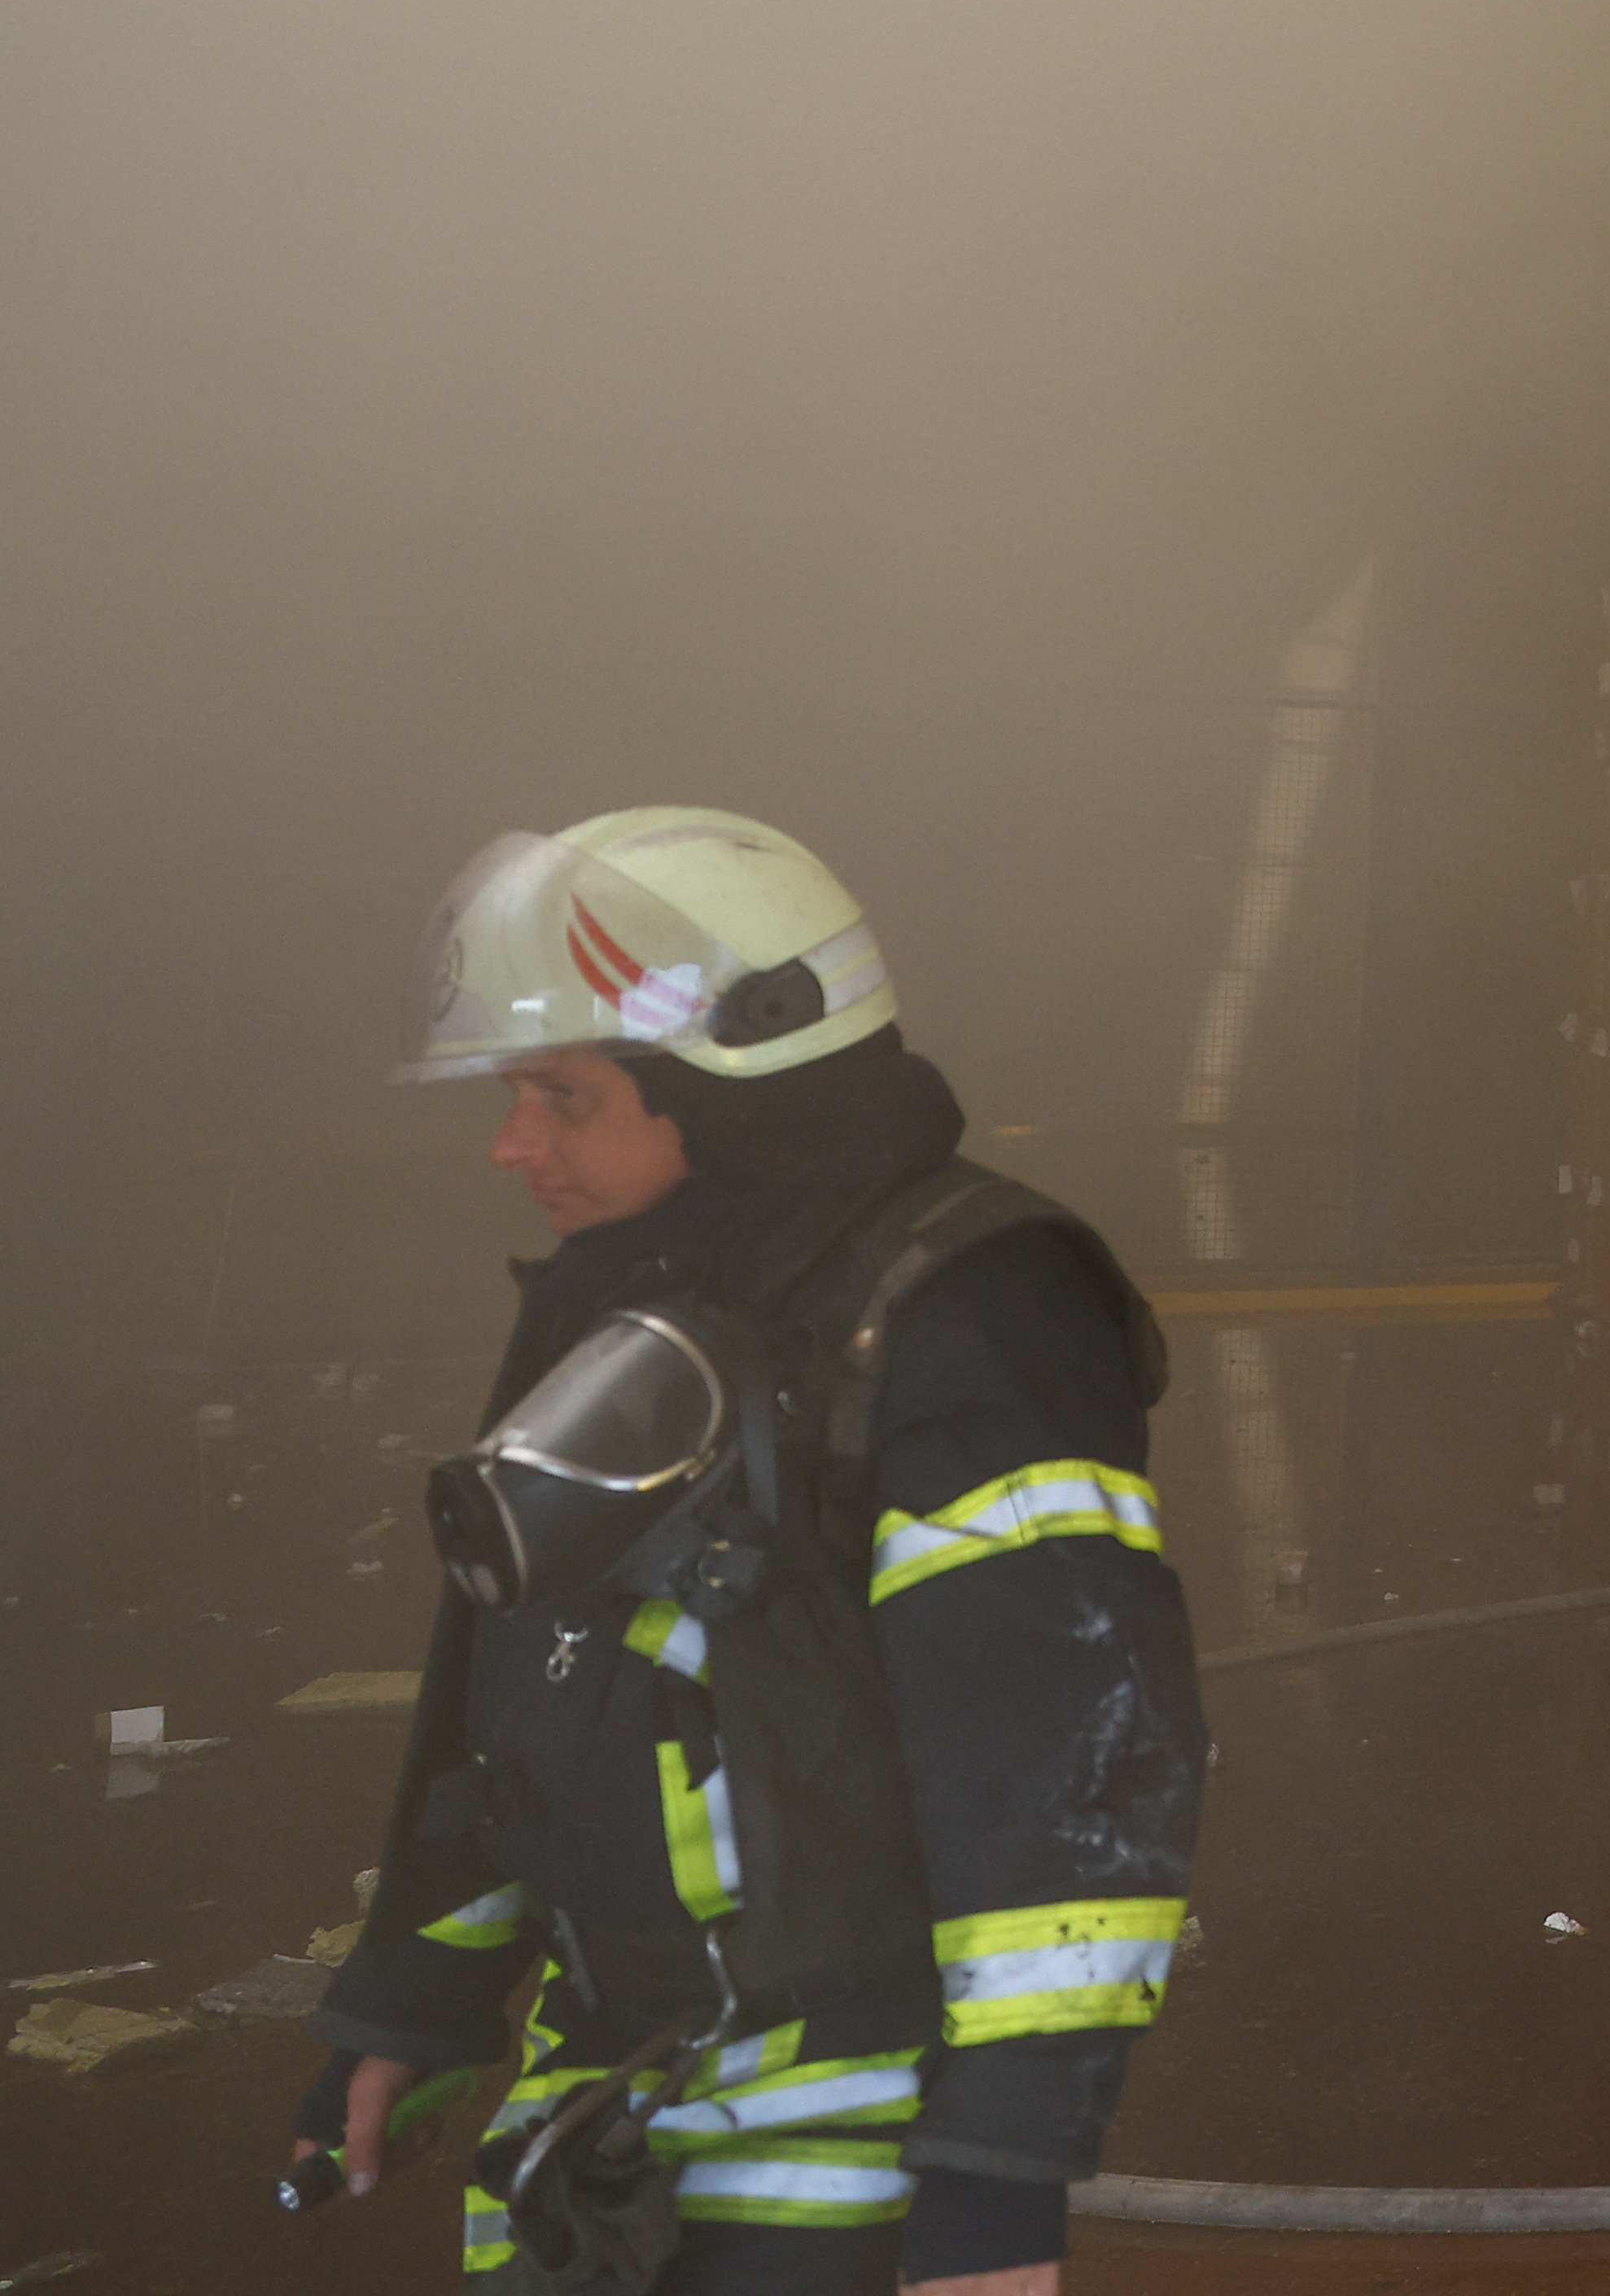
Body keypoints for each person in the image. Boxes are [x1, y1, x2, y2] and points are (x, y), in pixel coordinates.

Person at [290, 808, 1207, 2294]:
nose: (514, 1143)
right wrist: (416, 1997)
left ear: (735, 1084)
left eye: (562, 1098)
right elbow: (522, 1678)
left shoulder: (970, 1310)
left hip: (845, 2134)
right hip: (601, 2105)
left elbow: (1065, 1770)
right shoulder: (622, 1295)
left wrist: (999, 2178)